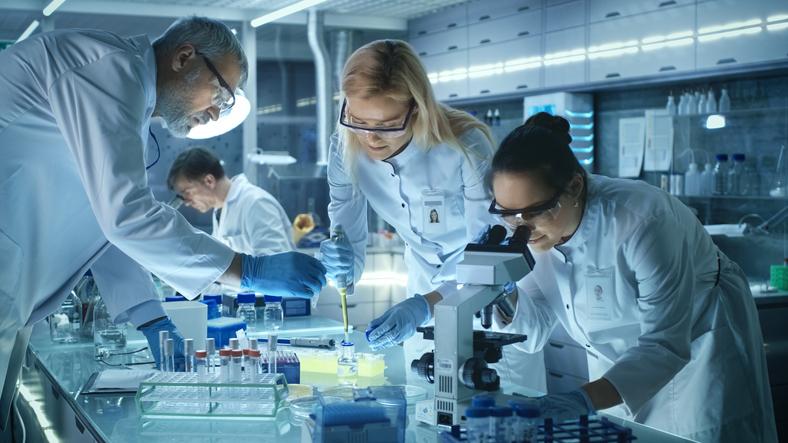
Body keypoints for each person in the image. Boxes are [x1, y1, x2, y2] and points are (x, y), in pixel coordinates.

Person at [0, 16, 325, 419]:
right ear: (184, 57)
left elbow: (104, 224)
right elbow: (126, 216)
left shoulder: (124, 96)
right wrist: (248, 268)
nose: (217, 113)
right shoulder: (106, 72)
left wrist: (149, 316)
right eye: (221, 95)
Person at [489, 113, 777, 442]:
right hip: (616, 367)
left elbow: (664, 346)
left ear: (574, 186)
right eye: (508, 213)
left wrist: (580, 399)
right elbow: (536, 328)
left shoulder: (642, 220)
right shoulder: (528, 233)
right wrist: (505, 290)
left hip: (699, 349)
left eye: (536, 210)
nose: (522, 227)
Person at [318, 39, 545, 390]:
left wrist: (423, 307)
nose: (370, 138)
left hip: (490, 301)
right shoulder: (345, 146)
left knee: (500, 418)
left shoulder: (463, 146)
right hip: (423, 288)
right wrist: (342, 265)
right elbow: (345, 229)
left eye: (387, 125)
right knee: (427, 414)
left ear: (417, 108)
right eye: (357, 121)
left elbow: (489, 258)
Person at [168, 147, 295, 256]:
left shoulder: (256, 203)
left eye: (187, 192)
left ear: (209, 181)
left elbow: (276, 266)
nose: (187, 202)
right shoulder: (219, 210)